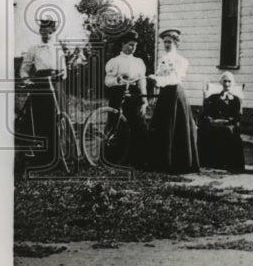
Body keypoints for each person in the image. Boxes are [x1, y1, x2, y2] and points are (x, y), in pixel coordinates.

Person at [147, 28, 199, 174]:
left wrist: (158, 80)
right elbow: (160, 75)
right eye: (165, 42)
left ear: (176, 42)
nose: (167, 45)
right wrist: (155, 78)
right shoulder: (163, 59)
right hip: (164, 94)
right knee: (163, 126)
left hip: (175, 93)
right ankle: (162, 162)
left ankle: (178, 163)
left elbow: (175, 78)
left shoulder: (181, 61)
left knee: (176, 126)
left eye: (169, 42)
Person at [18, 17, 67, 171]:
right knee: (41, 120)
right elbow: (24, 68)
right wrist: (27, 81)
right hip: (40, 85)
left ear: (54, 32)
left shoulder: (57, 47)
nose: (46, 35)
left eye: (49, 32)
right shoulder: (34, 48)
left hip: (56, 83)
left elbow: (64, 69)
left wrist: (62, 75)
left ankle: (60, 157)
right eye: (43, 32)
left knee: (58, 119)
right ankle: (44, 159)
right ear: (39, 32)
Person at [103, 29, 149, 167]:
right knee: (117, 124)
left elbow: (142, 81)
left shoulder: (139, 62)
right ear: (123, 44)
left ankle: (138, 159)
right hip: (118, 94)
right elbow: (107, 81)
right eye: (130, 44)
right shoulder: (114, 61)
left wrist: (144, 99)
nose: (132, 48)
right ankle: (115, 159)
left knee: (137, 123)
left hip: (134, 94)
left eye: (134, 45)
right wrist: (117, 80)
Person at [198, 72, 245, 173]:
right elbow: (206, 112)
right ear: (221, 83)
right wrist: (210, 117)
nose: (227, 84)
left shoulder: (236, 99)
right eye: (225, 81)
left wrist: (226, 121)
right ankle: (208, 161)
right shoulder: (213, 97)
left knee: (227, 131)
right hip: (214, 124)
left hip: (228, 124)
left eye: (229, 81)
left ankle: (226, 162)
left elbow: (237, 116)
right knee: (204, 129)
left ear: (232, 83)